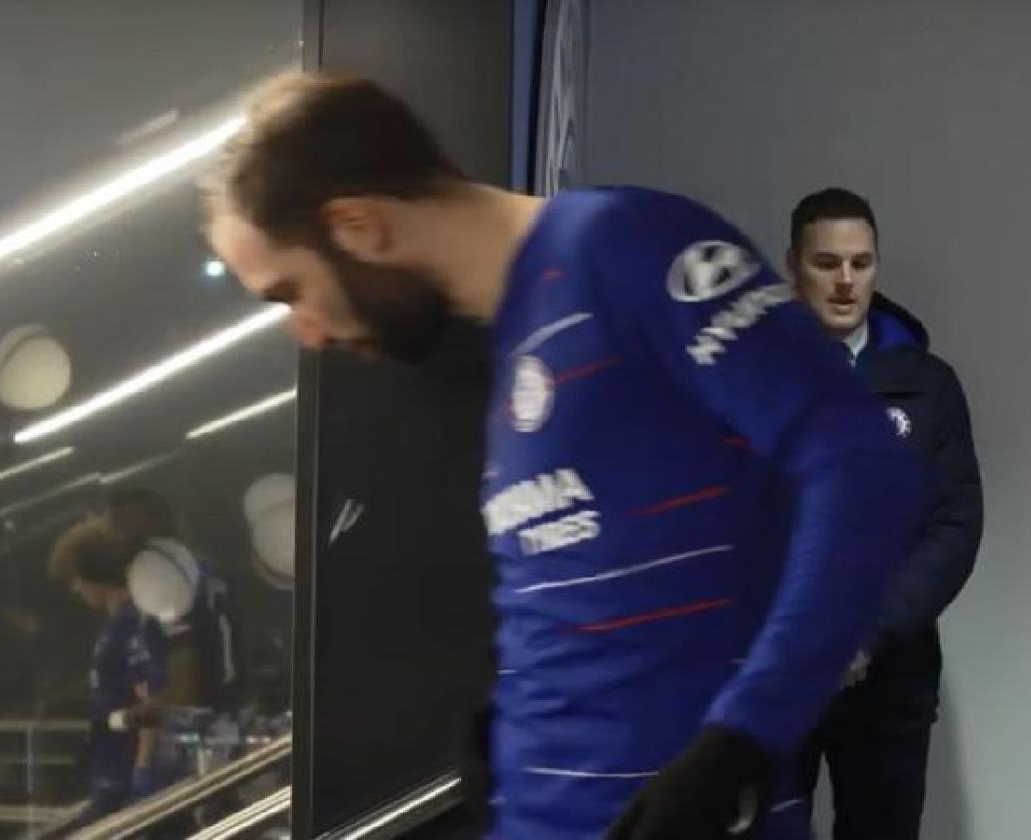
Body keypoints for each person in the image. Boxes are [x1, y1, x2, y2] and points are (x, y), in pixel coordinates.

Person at [202, 71, 926, 840]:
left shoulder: (626, 245)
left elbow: (859, 463)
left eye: (289, 293)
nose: (306, 332)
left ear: (358, 226)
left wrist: (744, 737)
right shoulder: (512, 335)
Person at [786, 188, 983, 840]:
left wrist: (867, 631)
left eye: (861, 264)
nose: (845, 282)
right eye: (827, 263)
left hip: (889, 677)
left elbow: (954, 526)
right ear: (794, 266)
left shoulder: (928, 387)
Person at [50, 518, 169, 820]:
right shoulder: (120, 626)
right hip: (110, 775)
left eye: (76, 578)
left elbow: (151, 704)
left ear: (94, 574)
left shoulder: (133, 627)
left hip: (124, 779)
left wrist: (143, 774)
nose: (76, 588)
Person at [105, 488, 241, 716]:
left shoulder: (163, 579)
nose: (114, 541)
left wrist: (133, 717)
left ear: (151, 524)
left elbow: (182, 684)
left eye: (121, 530)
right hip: (230, 703)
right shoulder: (200, 568)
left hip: (202, 717)